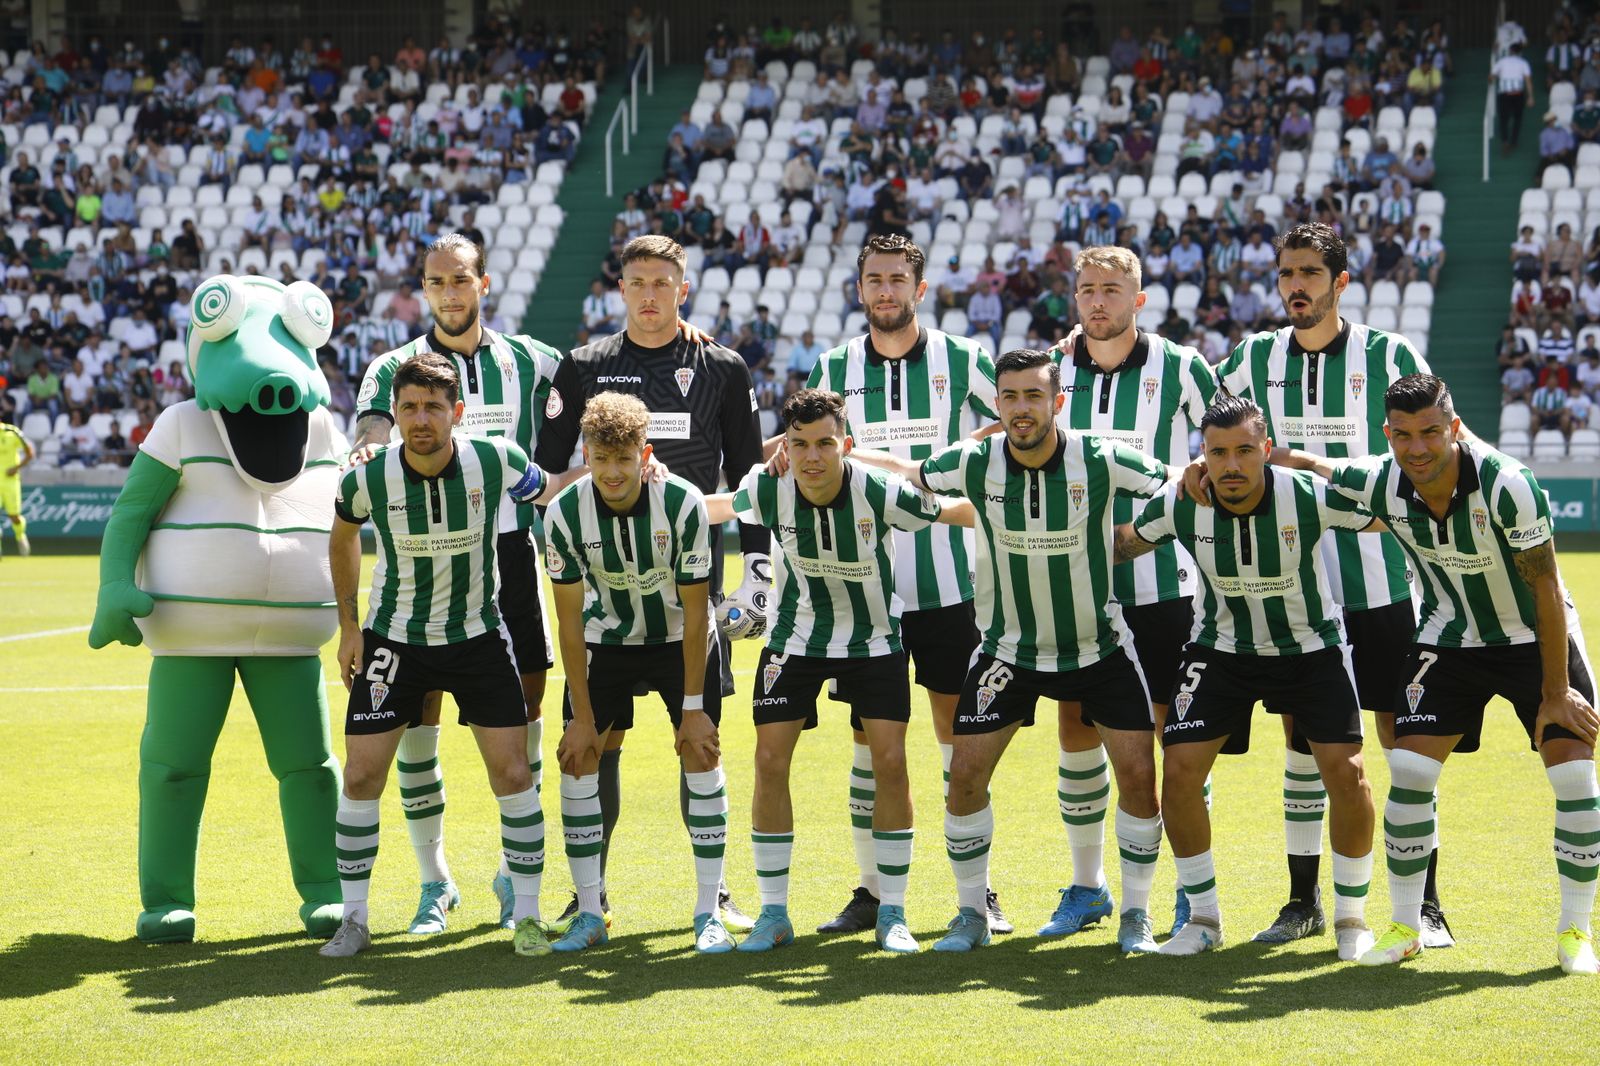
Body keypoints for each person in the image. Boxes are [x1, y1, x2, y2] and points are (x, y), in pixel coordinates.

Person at [853, 349, 1177, 954]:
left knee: (1138, 776)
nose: (1022, 408)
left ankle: (1135, 914)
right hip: (1007, 652)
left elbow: (1178, 486)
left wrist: (1134, 540)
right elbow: (910, 475)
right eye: (1010, 397)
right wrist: (831, 458)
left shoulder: (1100, 458)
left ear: (1056, 402)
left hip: (1098, 647)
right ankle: (971, 913)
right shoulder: (975, 460)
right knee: (965, 776)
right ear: (996, 405)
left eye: (1034, 396)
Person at [1275, 374, 1598, 974]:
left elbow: (1547, 585)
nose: (1417, 448)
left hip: (1537, 637)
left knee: (1576, 779)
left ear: (1453, 427)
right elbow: (1318, 464)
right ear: (1388, 435)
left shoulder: (1508, 484)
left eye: (1430, 433)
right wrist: (1257, 454)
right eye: (1402, 436)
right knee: (1411, 767)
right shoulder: (1382, 480)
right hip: (1451, 636)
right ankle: (1405, 925)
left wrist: (1555, 692)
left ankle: (1576, 933)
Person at [1210, 222, 1450, 947]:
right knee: (1304, 745)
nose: (1296, 286)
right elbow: (1220, 447)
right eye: (1287, 273)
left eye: (1311, 273)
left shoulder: (1388, 355)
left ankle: (1424, 904)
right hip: (1294, 592)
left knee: (1403, 745)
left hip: (1385, 584)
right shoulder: (1250, 359)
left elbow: (1431, 449)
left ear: (1341, 283)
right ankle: (1302, 901)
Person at [535, 234, 770, 933]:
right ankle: (591, 892)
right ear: (620, 288)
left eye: (661, 283)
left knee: (699, 739)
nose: (648, 295)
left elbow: (751, 477)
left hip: (689, 590)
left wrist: (759, 567)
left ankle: (715, 893)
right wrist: (619, 475)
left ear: (682, 289)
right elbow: (549, 479)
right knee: (595, 746)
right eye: (636, 282)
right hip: (609, 596)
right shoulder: (584, 366)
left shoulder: (722, 366)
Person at [703, 388, 974, 953]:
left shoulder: (879, 491)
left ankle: (892, 912)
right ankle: (773, 914)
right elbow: (713, 507)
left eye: (825, 443)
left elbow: (955, 511)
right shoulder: (768, 487)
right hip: (794, 639)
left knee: (891, 762)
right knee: (769, 760)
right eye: (799, 444)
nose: (812, 457)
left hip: (874, 641)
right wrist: (652, 486)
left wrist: (1015, 504)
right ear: (787, 448)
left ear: (845, 445)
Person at [321, 351, 570, 959]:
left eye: (434, 407)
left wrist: (628, 471)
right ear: (396, 414)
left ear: (457, 412)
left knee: (513, 774)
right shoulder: (366, 477)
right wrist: (349, 627)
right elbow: (343, 537)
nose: (421, 419)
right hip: (394, 641)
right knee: (359, 776)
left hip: (478, 637)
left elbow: (555, 491)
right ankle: (354, 918)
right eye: (409, 407)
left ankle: (529, 915)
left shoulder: (497, 459)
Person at [792, 234, 1007, 935]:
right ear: (860, 289)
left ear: (920, 289)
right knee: (868, 741)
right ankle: (872, 890)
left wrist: (944, 466)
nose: (885, 291)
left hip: (948, 584)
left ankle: (978, 892)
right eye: (874, 280)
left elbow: (1012, 422)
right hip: (865, 594)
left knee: (957, 737)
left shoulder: (964, 359)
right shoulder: (833, 366)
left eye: (897, 280)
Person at [1115, 396, 1379, 958]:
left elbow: (1388, 512)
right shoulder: (1181, 502)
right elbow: (1123, 544)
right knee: (1180, 769)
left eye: (1243, 451)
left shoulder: (1305, 496)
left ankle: (1352, 922)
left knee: (1348, 773)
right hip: (1221, 650)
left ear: (1265, 451)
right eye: (1217, 452)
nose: (1231, 465)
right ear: (1201, 456)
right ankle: (1203, 919)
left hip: (1310, 649)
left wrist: (1311, 462)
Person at [1044, 246, 1220, 942]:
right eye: (1086, 289)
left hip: (1165, 585)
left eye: (1112, 290)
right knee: (1076, 730)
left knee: (1172, 737)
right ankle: (1088, 887)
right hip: (1078, 587)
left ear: (1139, 299)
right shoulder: (1052, 367)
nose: (1097, 302)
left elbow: (1220, 451)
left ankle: (1186, 887)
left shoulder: (1182, 368)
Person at [543, 392, 734, 954]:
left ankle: (708, 910)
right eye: (600, 458)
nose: (611, 471)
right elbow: (570, 623)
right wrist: (581, 716)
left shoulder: (681, 502)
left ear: (644, 454)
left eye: (624, 458)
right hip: (608, 642)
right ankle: (589, 908)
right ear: (586, 454)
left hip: (679, 640)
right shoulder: (564, 513)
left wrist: (694, 710)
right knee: (578, 758)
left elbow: (698, 612)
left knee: (701, 753)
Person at [1491, 41, 1535, 154]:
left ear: (1510, 51)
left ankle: (1505, 141)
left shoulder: (1502, 61)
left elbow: (1491, 76)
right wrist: (1530, 97)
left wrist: (1493, 80)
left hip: (1504, 93)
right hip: (1518, 93)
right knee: (1518, 118)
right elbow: (1528, 81)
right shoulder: (1523, 63)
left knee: (1503, 119)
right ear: (1520, 52)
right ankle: (1514, 141)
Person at [0, 419, 33, 557]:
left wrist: (16, 468)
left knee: (14, 517)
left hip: (10, 481)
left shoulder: (12, 432)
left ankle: (20, 536)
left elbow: (29, 453)